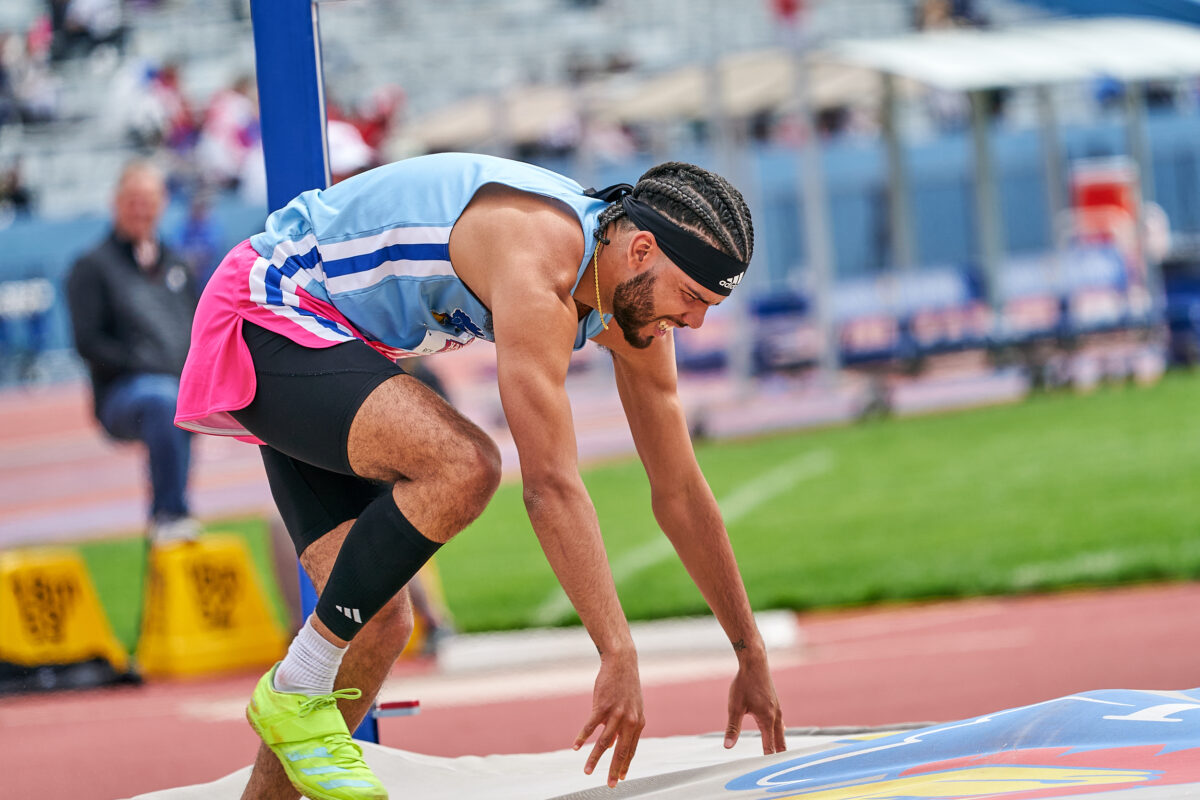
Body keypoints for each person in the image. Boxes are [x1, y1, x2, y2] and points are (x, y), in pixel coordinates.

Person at [175, 152, 786, 800]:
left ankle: (281, 744)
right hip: (270, 306)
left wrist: (749, 651)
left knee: (379, 623)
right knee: (466, 465)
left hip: (328, 336)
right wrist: (616, 652)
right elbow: (550, 486)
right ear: (639, 250)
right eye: (692, 298)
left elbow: (681, 491)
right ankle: (297, 686)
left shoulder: (626, 306)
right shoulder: (537, 261)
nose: (695, 323)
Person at [67, 160, 200, 541]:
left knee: (188, 400)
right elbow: (88, 342)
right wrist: (149, 364)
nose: (140, 208)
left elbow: (196, 329)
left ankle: (174, 516)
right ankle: (170, 515)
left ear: (162, 203)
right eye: (132, 199)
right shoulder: (91, 267)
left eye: (149, 199)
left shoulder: (177, 265)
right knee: (164, 399)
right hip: (123, 395)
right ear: (116, 203)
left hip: (177, 389)